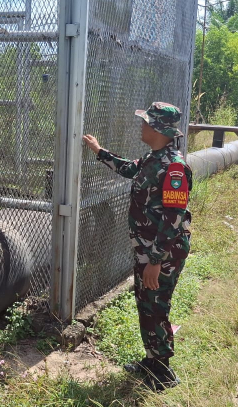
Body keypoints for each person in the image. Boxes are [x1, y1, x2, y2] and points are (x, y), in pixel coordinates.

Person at [82, 102, 192, 391]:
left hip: (162, 253)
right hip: (148, 250)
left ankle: (164, 373)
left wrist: (155, 260)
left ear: (158, 129)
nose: (141, 126)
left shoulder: (174, 168)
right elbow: (129, 169)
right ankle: (152, 362)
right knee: (146, 304)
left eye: (145, 122)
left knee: (156, 306)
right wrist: (99, 151)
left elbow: (173, 218)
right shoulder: (153, 158)